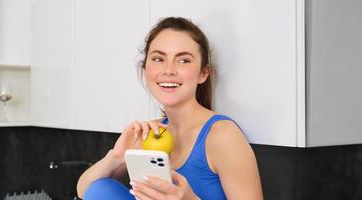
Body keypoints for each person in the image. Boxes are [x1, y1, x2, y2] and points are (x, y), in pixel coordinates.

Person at [76, 17, 263, 200]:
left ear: (203, 73)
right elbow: (87, 191)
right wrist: (117, 156)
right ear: (145, 69)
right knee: (102, 187)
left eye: (183, 61)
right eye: (158, 59)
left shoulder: (222, 136)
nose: (169, 70)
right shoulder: (150, 133)